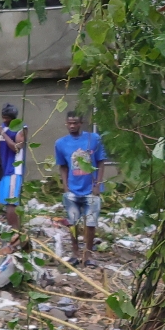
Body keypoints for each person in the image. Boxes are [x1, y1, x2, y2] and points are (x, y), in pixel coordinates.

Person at [54, 111, 110, 265]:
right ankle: (75, 253)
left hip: (90, 188)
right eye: (69, 123)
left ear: (81, 124)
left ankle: (88, 255)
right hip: (72, 189)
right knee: (73, 223)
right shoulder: (60, 143)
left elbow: (101, 162)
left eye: (75, 123)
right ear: (66, 123)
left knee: (90, 223)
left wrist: (97, 184)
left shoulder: (94, 139)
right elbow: (63, 166)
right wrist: (65, 186)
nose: (72, 126)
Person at [0, 104, 27, 228]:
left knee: (11, 204)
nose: (4, 120)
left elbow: (16, 148)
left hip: (13, 170)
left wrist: (4, 134)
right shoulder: (2, 127)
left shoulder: (21, 129)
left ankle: (15, 232)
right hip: (1, 170)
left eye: (7, 118)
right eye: (3, 117)